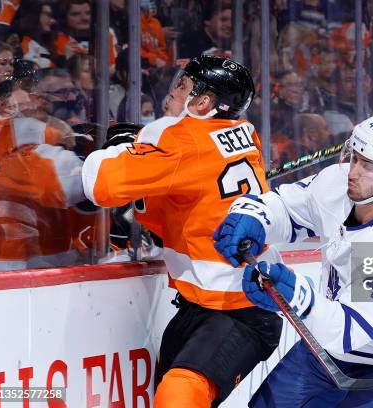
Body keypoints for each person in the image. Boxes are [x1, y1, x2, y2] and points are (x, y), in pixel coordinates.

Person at [214, 111, 373, 407]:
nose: (353, 172)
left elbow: (350, 331)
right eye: (355, 157)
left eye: (368, 165)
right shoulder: (338, 182)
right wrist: (256, 217)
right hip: (326, 351)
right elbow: (290, 209)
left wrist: (296, 295)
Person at [81, 55, 282, 407]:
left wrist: (120, 146)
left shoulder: (177, 138)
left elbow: (99, 185)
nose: (172, 93)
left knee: (178, 396)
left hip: (239, 310)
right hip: (205, 304)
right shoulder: (245, 132)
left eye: (182, 86)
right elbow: (170, 207)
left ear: (203, 103)